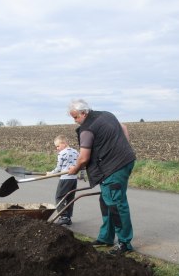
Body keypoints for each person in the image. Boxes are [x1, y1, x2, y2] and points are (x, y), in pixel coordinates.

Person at [67, 99, 136, 256]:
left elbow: (83, 158)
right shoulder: (106, 115)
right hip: (125, 161)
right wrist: (123, 148)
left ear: (83, 113)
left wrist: (75, 169)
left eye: (75, 117)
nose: (74, 121)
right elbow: (124, 128)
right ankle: (106, 237)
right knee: (106, 201)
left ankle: (125, 243)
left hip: (114, 168)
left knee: (116, 203)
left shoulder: (86, 129)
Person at [47, 135, 80, 226]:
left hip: (65, 179)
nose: (57, 148)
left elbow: (58, 169)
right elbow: (80, 165)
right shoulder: (76, 152)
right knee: (70, 198)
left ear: (64, 143)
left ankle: (63, 217)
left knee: (59, 197)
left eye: (58, 146)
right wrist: (82, 175)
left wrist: (51, 173)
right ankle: (68, 217)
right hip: (73, 179)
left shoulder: (62, 153)